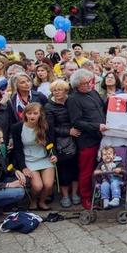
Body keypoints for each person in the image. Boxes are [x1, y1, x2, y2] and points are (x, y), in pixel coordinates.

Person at [66, 69, 107, 210]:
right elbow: (76, 122)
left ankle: (100, 195)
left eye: (90, 81)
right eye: (85, 83)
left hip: (101, 138)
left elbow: (103, 108)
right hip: (87, 141)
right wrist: (97, 126)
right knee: (86, 171)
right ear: (77, 85)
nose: (89, 84)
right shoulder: (73, 99)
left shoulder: (93, 92)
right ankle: (86, 198)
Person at [11, 103, 56, 211]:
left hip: (44, 158)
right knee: (37, 186)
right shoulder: (17, 127)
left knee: (48, 185)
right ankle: (33, 200)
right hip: (28, 160)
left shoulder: (46, 125)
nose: (32, 116)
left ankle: (42, 201)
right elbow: (18, 150)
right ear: (25, 114)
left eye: (35, 113)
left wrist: (54, 155)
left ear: (40, 114)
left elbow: (52, 143)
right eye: (29, 113)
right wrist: (23, 167)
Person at [44, 79, 81, 208]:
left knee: (76, 168)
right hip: (61, 142)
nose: (56, 92)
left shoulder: (72, 101)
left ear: (65, 90)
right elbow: (49, 128)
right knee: (64, 171)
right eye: (54, 90)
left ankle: (75, 193)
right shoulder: (49, 106)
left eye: (59, 89)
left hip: (77, 140)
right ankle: (65, 196)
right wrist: (68, 131)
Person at [0, 125, 26, 217]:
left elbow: (5, 166)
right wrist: (9, 185)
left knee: (24, 180)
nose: (2, 140)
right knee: (19, 192)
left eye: (2, 137)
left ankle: (6, 207)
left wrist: (16, 171)